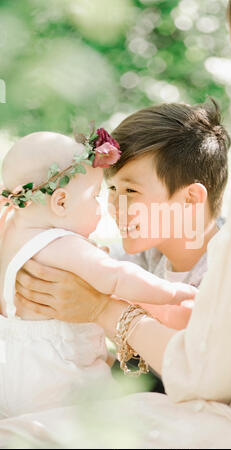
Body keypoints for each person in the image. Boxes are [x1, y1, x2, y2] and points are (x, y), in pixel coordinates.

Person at [0, 0, 231, 449]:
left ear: (192, 199)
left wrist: (101, 309)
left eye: (132, 193)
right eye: (111, 192)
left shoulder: (226, 265)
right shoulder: (145, 257)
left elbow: (203, 367)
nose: (116, 208)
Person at [0, 129, 196, 418]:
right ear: (62, 202)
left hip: (15, 376)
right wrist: (171, 292)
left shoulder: (10, 232)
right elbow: (116, 275)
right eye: (96, 197)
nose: (104, 209)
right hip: (61, 383)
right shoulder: (62, 244)